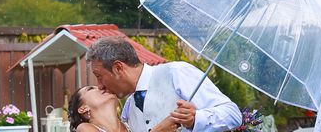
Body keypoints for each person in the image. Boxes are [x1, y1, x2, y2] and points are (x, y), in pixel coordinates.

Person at [85, 37, 242, 132]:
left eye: (99, 76)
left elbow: (233, 114)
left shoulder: (176, 73)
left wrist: (196, 119)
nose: (100, 86)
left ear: (118, 68)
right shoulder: (129, 108)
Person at [68, 85, 178, 132]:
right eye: (91, 88)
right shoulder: (84, 128)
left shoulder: (130, 122)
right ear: (83, 108)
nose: (101, 86)